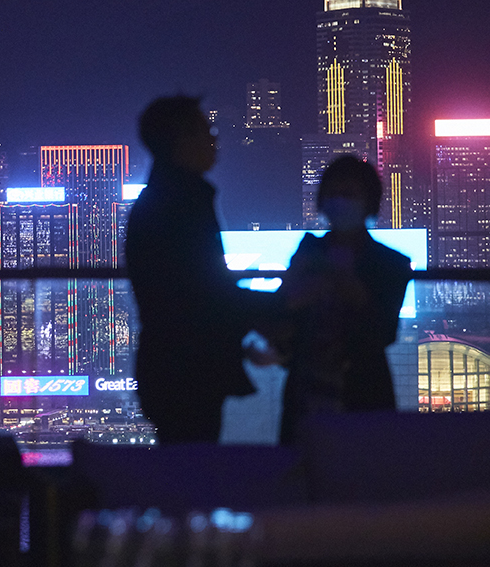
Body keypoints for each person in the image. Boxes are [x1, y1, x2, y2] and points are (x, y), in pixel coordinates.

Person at [125, 95, 274, 443]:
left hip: (168, 365)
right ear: (182, 140)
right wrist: (280, 306)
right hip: (190, 369)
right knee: (194, 458)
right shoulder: (184, 203)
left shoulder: (159, 201)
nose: (213, 140)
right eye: (207, 130)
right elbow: (204, 292)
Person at [275, 155, 410, 444]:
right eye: (334, 193)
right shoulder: (309, 252)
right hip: (311, 390)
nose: (340, 202)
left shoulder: (391, 264)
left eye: (349, 194)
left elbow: (384, 331)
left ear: (369, 201)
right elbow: (282, 312)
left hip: (359, 390)